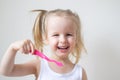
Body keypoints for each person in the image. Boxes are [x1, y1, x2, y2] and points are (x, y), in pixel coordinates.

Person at [0, 9, 87, 80]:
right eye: (56, 35)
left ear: (76, 38)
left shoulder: (79, 72)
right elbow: (6, 71)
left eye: (68, 34)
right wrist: (12, 49)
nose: (63, 40)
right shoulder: (39, 65)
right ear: (46, 38)